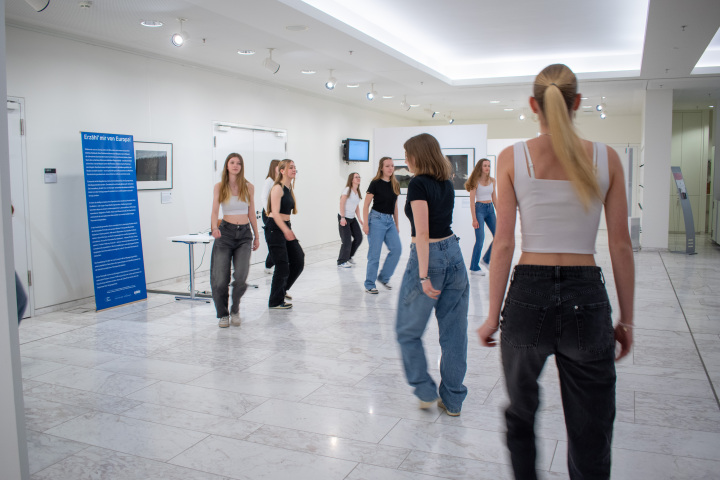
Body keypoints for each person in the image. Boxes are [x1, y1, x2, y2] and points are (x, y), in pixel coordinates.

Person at [477, 64, 634, 479]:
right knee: (591, 428)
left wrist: (493, 315)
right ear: (577, 103)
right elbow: (620, 245)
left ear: (534, 105)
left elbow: (504, 244)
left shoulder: (513, 157)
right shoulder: (608, 158)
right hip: (588, 298)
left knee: (522, 414)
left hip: (528, 293)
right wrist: (627, 319)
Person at [396, 133, 469, 416]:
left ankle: (425, 390)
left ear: (417, 156)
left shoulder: (418, 184)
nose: (405, 160)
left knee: (407, 330)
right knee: (454, 334)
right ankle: (452, 400)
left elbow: (423, 232)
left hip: (430, 258)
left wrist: (424, 276)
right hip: (454, 253)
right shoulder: (445, 182)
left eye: (407, 154)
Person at [210, 153, 260, 328]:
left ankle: (235, 309)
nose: (235, 165)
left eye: (239, 163)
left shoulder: (249, 187)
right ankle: (223, 314)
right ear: (227, 165)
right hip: (225, 234)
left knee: (241, 276)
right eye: (232, 162)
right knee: (220, 278)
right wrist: (214, 228)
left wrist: (256, 235)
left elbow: (251, 213)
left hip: (244, 235)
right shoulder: (220, 187)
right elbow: (215, 211)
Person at [266, 159, 304, 309]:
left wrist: (287, 228)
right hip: (275, 228)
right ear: (282, 171)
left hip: (284, 226)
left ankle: (281, 291)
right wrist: (286, 230)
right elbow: (274, 213)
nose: (294, 170)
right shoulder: (277, 188)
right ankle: (275, 301)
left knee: (298, 259)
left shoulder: (289, 189)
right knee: (282, 266)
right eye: (290, 168)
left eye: (295, 167)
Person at [362, 157, 401, 294]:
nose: (390, 168)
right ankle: (369, 284)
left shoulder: (395, 184)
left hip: (389, 221)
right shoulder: (375, 183)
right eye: (387, 166)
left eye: (392, 166)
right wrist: (365, 224)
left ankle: (384, 277)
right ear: (381, 168)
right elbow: (366, 205)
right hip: (376, 220)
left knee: (397, 249)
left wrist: (396, 224)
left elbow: (395, 206)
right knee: (375, 254)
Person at [464, 158, 497, 276]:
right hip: (479, 209)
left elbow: (495, 199)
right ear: (480, 167)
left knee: (498, 236)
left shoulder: (493, 180)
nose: (487, 168)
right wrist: (474, 219)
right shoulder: (475, 181)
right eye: (485, 166)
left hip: (490, 209)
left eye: (488, 166)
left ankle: (486, 260)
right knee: (480, 239)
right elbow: (472, 202)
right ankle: (474, 267)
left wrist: (500, 213)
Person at [337, 172, 364, 268]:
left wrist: (359, 218)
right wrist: (343, 218)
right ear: (351, 179)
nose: (358, 178)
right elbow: (341, 203)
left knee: (359, 237)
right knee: (347, 240)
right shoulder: (347, 190)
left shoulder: (357, 191)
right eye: (356, 177)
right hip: (344, 217)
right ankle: (341, 261)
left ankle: (348, 257)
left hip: (352, 218)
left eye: (359, 177)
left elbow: (356, 206)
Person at [261, 159, 281, 274]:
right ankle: (268, 265)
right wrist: (268, 211)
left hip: (278, 213)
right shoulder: (269, 180)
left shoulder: (280, 181)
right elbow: (263, 197)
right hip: (269, 214)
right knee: (275, 240)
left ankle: (271, 264)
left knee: (279, 239)